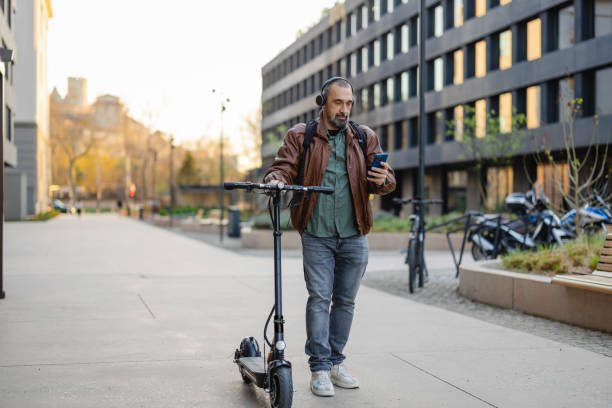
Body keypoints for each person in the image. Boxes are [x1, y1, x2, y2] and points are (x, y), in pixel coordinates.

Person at [263, 77, 396, 397]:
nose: (344, 110)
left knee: (346, 301)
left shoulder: (364, 137)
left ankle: (337, 363)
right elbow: (282, 168)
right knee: (320, 299)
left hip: (354, 234)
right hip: (317, 233)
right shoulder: (302, 136)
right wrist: (275, 181)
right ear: (323, 102)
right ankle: (320, 368)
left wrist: (382, 178)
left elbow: (387, 180)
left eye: (349, 103)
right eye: (338, 102)